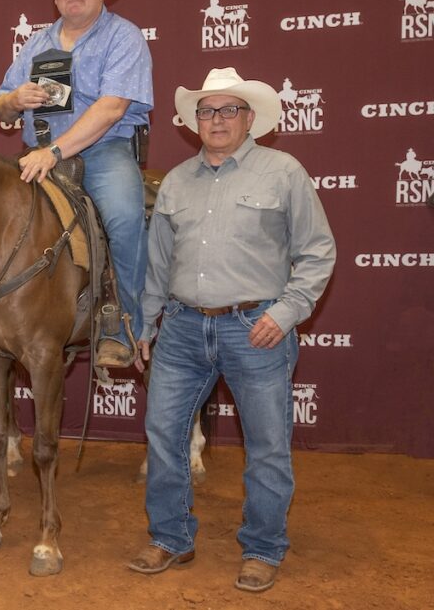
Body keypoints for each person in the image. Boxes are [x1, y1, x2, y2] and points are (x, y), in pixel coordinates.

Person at [129, 67, 336, 593]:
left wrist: (285, 313)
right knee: (163, 435)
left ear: (249, 119)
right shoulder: (175, 180)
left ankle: (263, 547)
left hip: (255, 327)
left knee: (267, 445)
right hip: (179, 326)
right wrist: (147, 322)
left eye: (228, 110)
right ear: (192, 120)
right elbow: (157, 262)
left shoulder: (283, 171)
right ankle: (170, 537)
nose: (216, 119)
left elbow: (318, 252)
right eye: (206, 110)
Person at [0, 0, 152, 367]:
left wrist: (56, 151)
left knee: (122, 215)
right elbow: (0, 102)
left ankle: (125, 324)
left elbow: (111, 107)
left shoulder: (124, 36)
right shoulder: (35, 43)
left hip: (103, 151)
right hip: (37, 151)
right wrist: (15, 100)